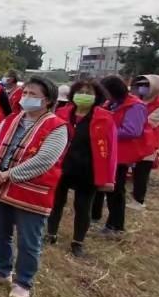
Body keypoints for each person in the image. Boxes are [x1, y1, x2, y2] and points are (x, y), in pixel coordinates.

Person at [0, 77, 68, 297]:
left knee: (29, 241)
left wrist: (7, 175)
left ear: (47, 100)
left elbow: (45, 160)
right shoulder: (11, 119)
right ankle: (1, 271)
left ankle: (23, 282)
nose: (26, 97)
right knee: (0, 234)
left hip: (30, 192)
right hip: (0, 186)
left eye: (33, 94)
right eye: (25, 92)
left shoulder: (56, 126)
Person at [46, 80, 117, 257]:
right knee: (55, 203)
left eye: (89, 92)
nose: (84, 95)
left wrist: (109, 177)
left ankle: (78, 242)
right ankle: (50, 234)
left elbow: (111, 149)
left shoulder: (105, 118)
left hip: (88, 170)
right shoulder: (62, 113)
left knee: (83, 207)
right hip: (62, 166)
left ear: (97, 96)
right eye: (80, 91)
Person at [91, 75, 148, 236]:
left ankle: (116, 226)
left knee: (115, 191)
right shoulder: (112, 103)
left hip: (121, 155)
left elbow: (133, 130)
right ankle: (97, 218)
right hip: (107, 152)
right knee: (103, 187)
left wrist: (106, 133)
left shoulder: (135, 106)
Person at [128, 75, 159, 211]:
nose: (142, 88)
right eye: (140, 84)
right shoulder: (134, 99)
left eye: (146, 85)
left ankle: (138, 201)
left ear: (155, 87)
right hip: (131, 140)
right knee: (125, 170)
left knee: (142, 173)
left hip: (148, 142)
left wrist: (133, 121)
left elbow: (152, 121)